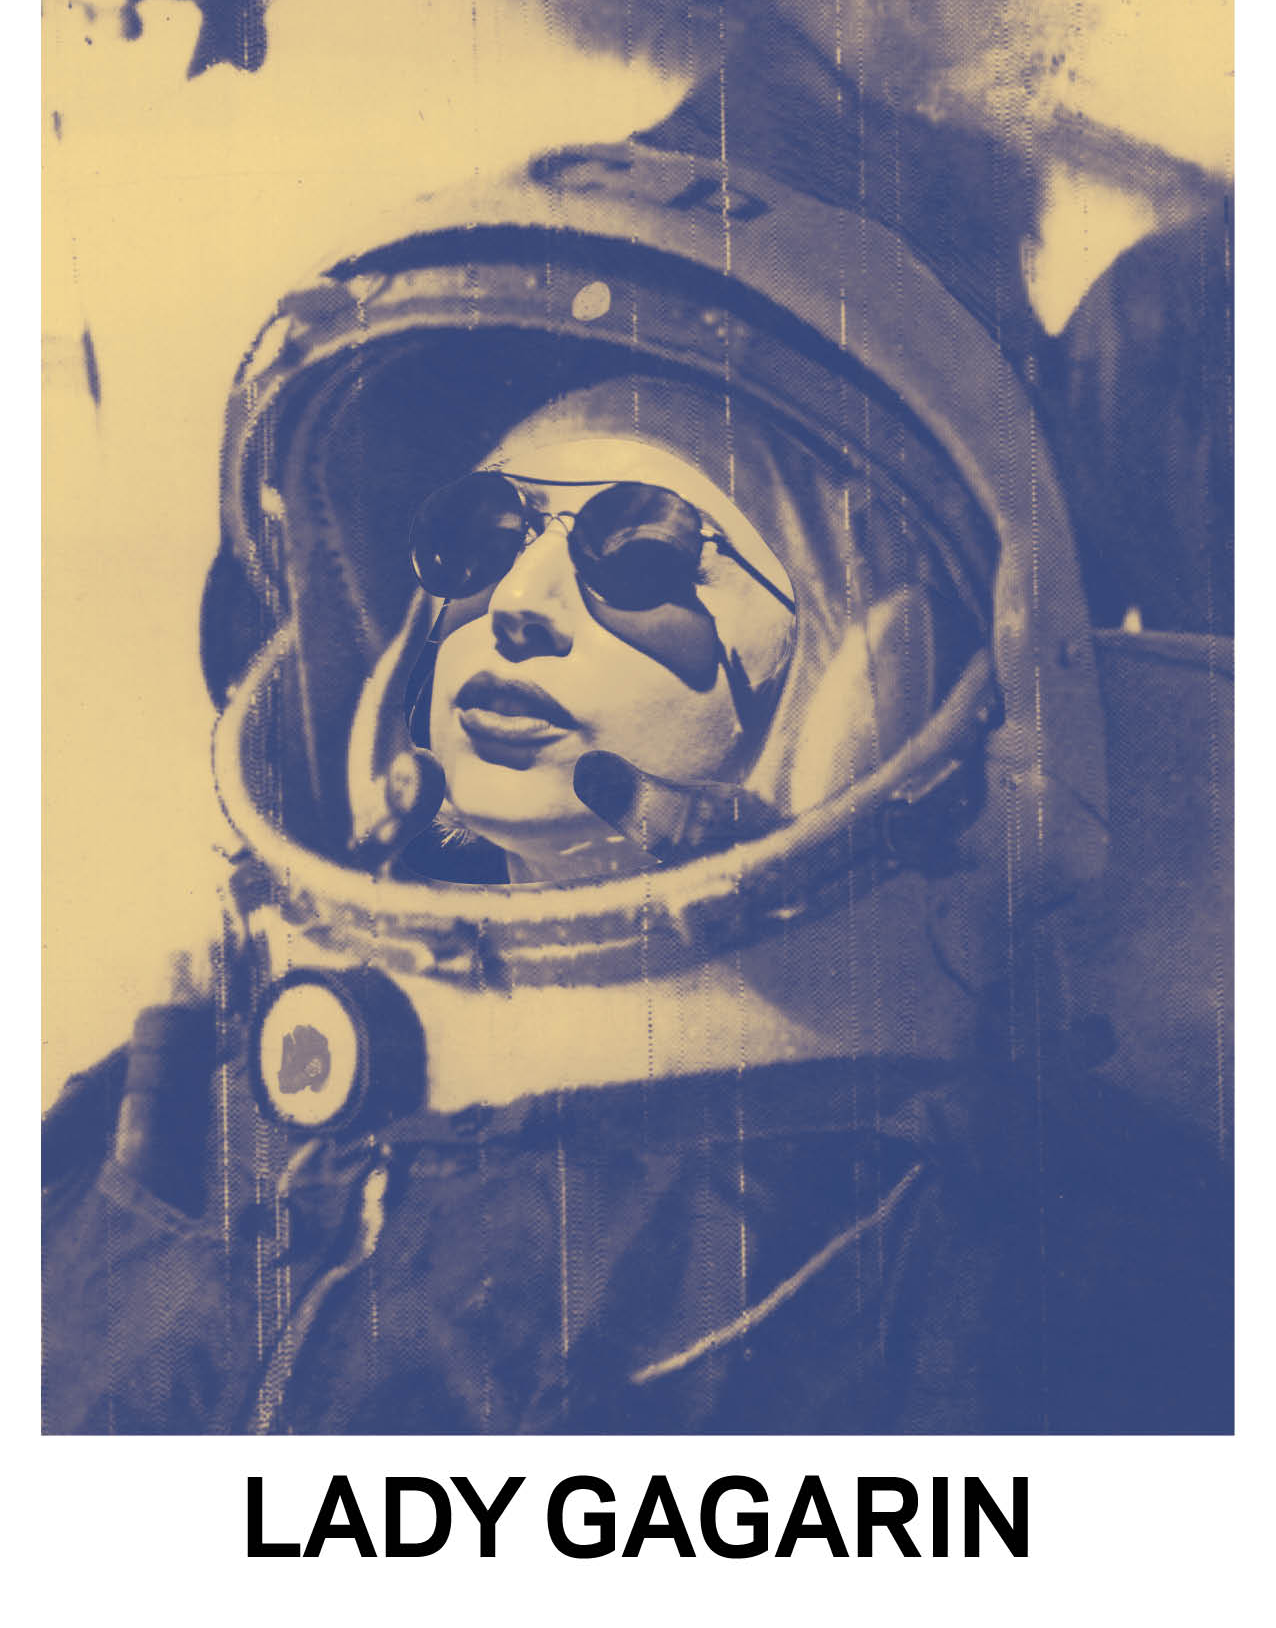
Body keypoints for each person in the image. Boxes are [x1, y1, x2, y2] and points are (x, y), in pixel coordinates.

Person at [42, 126, 1230, 1434]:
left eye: (643, 556)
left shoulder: (1003, 1269)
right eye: (480, 537)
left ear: (862, 689)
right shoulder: (158, 1141)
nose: (516, 607)